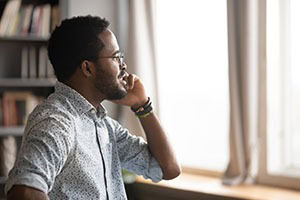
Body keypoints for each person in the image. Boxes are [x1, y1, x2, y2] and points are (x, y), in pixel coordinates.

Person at [5, 15, 181, 200]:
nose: (124, 65)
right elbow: (24, 191)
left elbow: (167, 169)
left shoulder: (104, 126)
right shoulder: (56, 121)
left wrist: (142, 106)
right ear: (87, 68)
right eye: (116, 57)